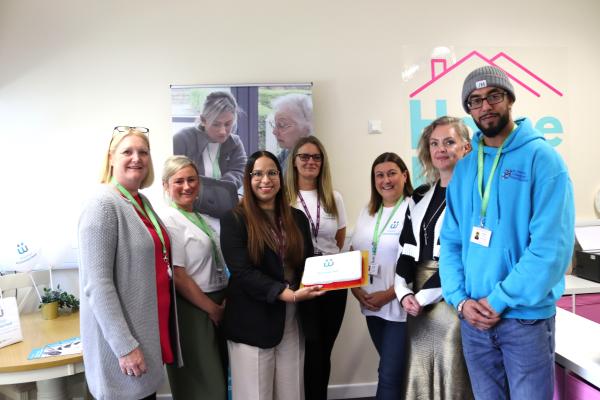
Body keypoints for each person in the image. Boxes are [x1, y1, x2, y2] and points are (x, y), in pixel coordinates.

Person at [439, 65, 575, 400]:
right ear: (469, 110)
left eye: (493, 96)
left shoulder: (543, 160)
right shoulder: (466, 168)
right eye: (475, 101)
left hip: (523, 321)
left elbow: (550, 250)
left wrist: (498, 300)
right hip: (474, 319)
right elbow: (452, 242)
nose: (485, 106)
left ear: (510, 99)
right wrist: (459, 300)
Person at [78, 126, 182, 400]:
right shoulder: (102, 204)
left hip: (147, 336)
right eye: (128, 151)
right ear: (111, 157)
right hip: (123, 349)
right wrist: (125, 347)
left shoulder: (140, 201)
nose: (137, 158)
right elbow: (97, 285)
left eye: (143, 152)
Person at [220, 150, 325, 400]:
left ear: (280, 177)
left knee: (291, 392)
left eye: (272, 173)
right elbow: (242, 271)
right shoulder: (234, 219)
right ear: (248, 178)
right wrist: (284, 293)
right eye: (257, 174)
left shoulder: (297, 218)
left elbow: (307, 264)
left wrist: (333, 273)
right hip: (253, 320)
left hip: (292, 318)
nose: (265, 180)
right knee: (256, 394)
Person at [394, 116, 473, 399]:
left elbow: (463, 255)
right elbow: (405, 250)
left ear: (466, 148)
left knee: (451, 370)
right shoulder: (419, 195)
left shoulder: (474, 195)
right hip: (416, 302)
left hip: (451, 297)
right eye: (434, 143)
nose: (441, 149)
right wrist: (403, 293)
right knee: (419, 370)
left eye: (449, 142)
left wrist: (424, 297)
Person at [160, 155, 228, 400]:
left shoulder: (200, 217)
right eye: (179, 181)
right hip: (193, 309)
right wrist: (213, 309)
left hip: (214, 303)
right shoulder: (169, 220)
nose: (187, 186)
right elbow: (178, 276)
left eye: (192, 180)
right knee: (205, 386)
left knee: (218, 378)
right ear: (166, 186)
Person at [285, 136, 347, 400]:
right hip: (301, 283)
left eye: (316, 157)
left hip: (334, 283)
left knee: (325, 348)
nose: (311, 162)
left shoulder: (334, 197)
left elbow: (339, 239)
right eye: (304, 157)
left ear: (323, 163)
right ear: (294, 162)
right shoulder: (285, 197)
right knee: (308, 348)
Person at [350, 152, 413, 400]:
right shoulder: (368, 211)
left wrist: (388, 294)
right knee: (392, 370)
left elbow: (417, 262)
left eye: (391, 173)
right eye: (379, 175)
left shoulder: (413, 208)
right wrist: (356, 291)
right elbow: (355, 251)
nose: (385, 180)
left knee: (388, 373)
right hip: (371, 305)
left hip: (399, 305)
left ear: (404, 176)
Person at [173, 91, 247, 188]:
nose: (223, 131)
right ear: (203, 120)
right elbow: (173, 177)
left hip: (224, 199)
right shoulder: (182, 140)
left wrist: (219, 189)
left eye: (228, 124)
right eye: (216, 124)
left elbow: (240, 171)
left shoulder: (235, 143)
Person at [270, 93, 313, 171]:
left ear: (306, 127)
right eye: (275, 125)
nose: (274, 132)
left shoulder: (307, 162)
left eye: (282, 125)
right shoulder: (287, 151)